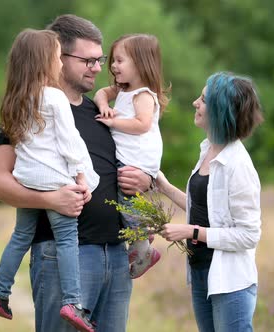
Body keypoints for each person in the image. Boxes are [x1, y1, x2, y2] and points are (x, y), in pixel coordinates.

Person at [0, 14, 152, 332]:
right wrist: (51, 198)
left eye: (99, 59)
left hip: (116, 256)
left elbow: (129, 163)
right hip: (62, 255)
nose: (97, 67)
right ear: (56, 56)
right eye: (87, 60)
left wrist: (143, 182)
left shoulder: (101, 114)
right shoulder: (28, 111)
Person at [0, 28, 99, 332]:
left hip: (26, 180)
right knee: (67, 239)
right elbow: (68, 141)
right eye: (57, 57)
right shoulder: (54, 97)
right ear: (43, 61)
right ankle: (72, 302)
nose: (60, 63)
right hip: (53, 181)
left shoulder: (15, 99)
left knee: (21, 236)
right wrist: (80, 175)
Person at [156, 72, 264, 331]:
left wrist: (191, 231)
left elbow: (248, 235)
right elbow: (207, 209)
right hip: (201, 272)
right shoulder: (208, 150)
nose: (195, 102)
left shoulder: (237, 165)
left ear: (220, 111)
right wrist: (164, 187)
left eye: (203, 100)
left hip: (230, 281)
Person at [93, 34, 170, 279]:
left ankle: (144, 250)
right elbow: (100, 93)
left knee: (124, 200)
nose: (113, 66)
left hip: (138, 158)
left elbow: (142, 124)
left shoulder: (144, 95)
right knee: (124, 199)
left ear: (139, 63)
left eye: (119, 60)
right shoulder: (122, 89)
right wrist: (104, 103)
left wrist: (112, 122)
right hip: (128, 156)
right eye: (112, 61)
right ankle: (141, 233)